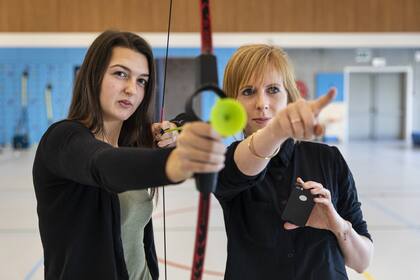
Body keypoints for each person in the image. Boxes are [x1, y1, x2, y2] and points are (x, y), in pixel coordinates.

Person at [32, 30, 226, 280]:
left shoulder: (133, 143)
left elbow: (186, 121)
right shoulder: (63, 139)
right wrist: (177, 162)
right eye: (120, 74)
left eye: (141, 81)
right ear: (93, 76)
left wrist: (177, 129)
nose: (131, 89)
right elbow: (102, 164)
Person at [214, 44, 374, 279]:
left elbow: (362, 262)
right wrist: (279, 128)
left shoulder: (328, 159)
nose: (262, 103)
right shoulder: (226, 163)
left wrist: (336, 225)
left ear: (289, 96)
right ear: (231, 105)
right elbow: (249, 161)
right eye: (248, 91)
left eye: (273, 89)